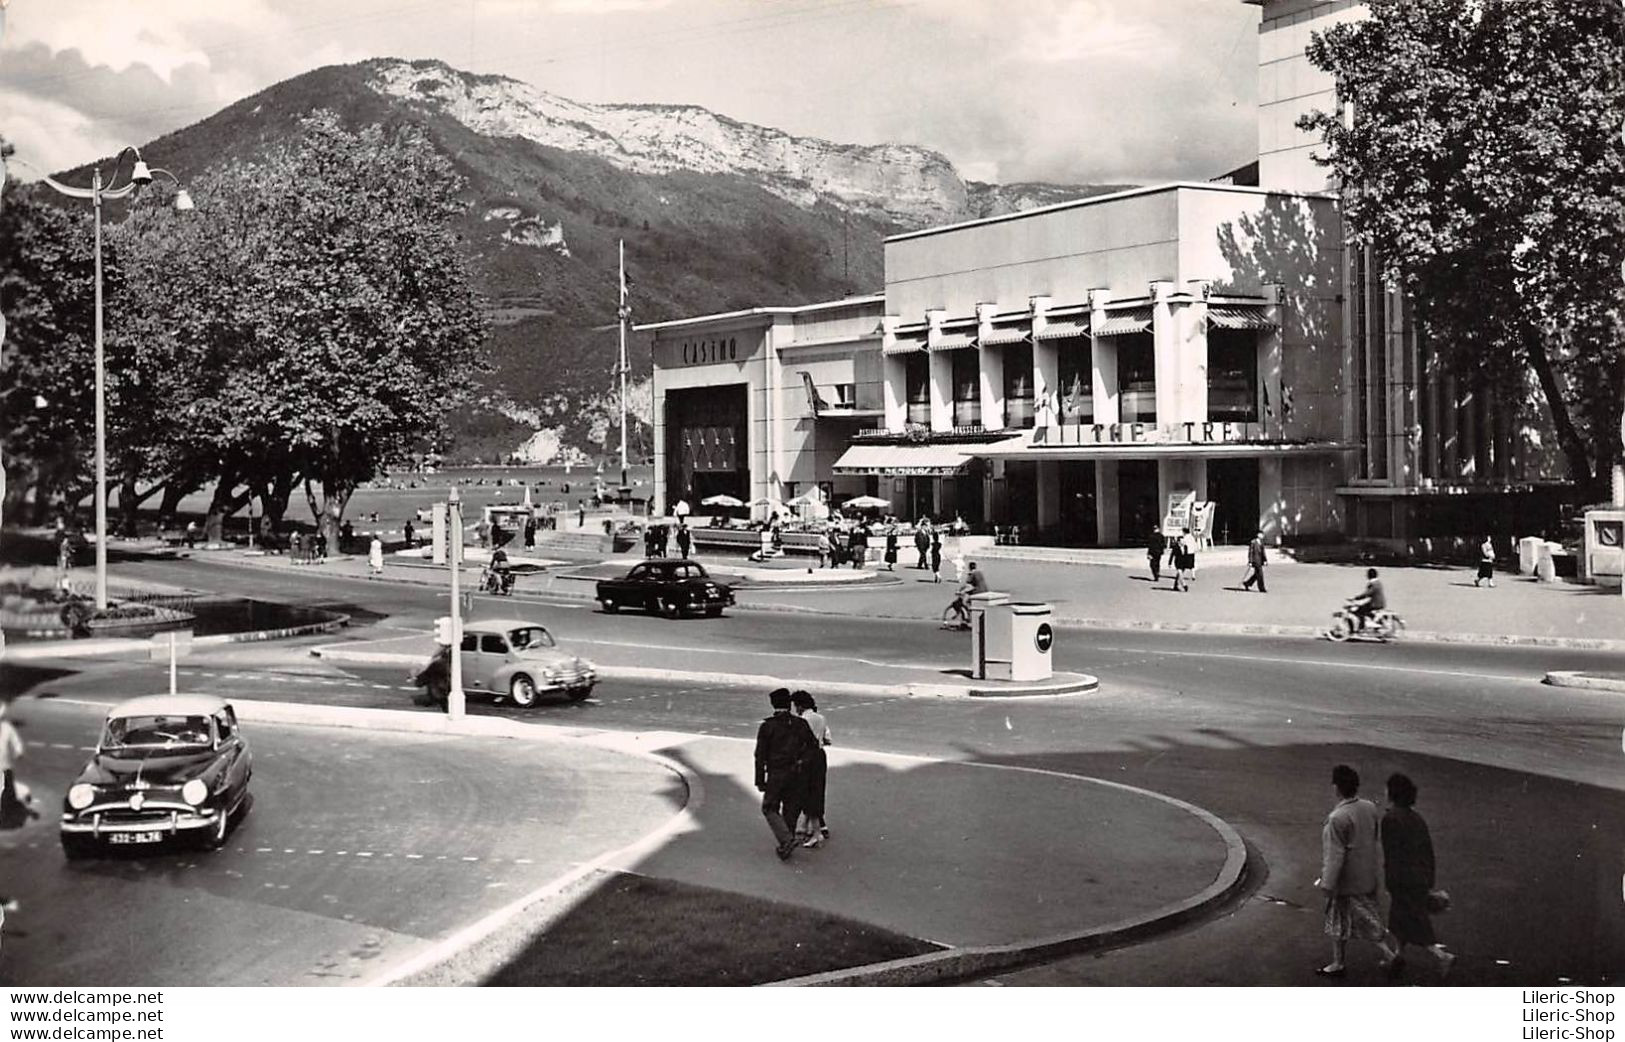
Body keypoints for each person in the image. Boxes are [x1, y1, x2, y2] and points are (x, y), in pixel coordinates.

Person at [1317, 764, 1401, 977]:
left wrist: (1327, 884)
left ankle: (1343, 962)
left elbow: (1334, 856)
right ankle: (1345, 960)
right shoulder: (1369, 808)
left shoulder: (1337, 819)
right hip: (1367, 875)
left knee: (1344, 921)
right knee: (1363, 919)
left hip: (1347, 882)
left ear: (1336, 788)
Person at [1381, 772, 1456, 978]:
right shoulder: (1416, 818)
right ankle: (1398, 955)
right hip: (1419, 877)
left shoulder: (1390, 819)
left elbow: (1392, 855)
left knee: (1411, 920)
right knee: (1401, 918)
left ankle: (1441, 956)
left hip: (1402, 880)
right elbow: (1427, 851)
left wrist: (1391, 882)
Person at [753, 688, 817, 861]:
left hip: (777, 773)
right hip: (798, 773)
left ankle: (786, 840)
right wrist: (802, 762)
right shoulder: (800, 724)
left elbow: (760, 756)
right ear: (789, 704)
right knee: (791, 809)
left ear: (773, 704)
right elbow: (813, 747)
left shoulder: (768, 726)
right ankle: (785, 844)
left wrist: (759, 780)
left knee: (769, 807)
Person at [790, 691, 832, 847]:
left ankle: (815, 832)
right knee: (816, 791)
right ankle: (808, 827)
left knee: (805, 792)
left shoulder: (801, 720)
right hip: (820, 756)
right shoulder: (821, 718)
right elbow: (828, 740)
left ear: (800, 706)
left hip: (806, 757)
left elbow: (797, 742)